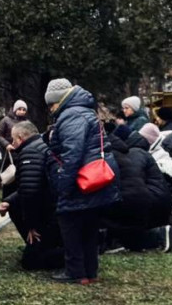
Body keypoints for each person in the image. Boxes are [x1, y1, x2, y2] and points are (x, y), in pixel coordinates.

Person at [43, 79, 120, 284]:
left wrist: (63, 186)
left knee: (70, 226)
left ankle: (75, 271)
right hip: (93, 178)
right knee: (89, 227)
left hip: (81, 180)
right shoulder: (86, 112)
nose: (51, 109)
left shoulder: (71, 115)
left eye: (51, 104)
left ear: (59, 100)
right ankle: (90, 271)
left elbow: (72, 155)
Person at [0, 120, 63, 270]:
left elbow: (29, 192)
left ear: (20, 137)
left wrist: (31, 226)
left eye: (13, 140)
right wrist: (9, 201)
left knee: (31, 262)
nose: (13, 144)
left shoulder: (30, 152)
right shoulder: (40, 146)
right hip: (53, 209)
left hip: (48, 215)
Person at [99, 125, 172, 252]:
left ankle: (156, 237)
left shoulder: (118, 155)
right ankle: (167, 234)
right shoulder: (136, 153)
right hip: (156, 200)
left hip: (143, 200)